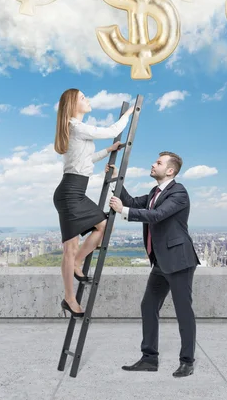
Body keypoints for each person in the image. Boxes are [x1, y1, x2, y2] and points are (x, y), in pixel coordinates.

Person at [107, 151, 201, 378]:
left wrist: (124, 211)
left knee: (183, 312)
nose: (153, 164)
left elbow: (157, 215)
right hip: (160, 262)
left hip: (179, 261)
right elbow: (130, 202)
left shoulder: (179, 192)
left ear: (170, 170)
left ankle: (187, 361)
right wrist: (116, 179)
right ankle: (149, 358)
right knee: (148, 306)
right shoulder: (154, 192)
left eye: (158, 162)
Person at [53, 88, 134, 318]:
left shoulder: (75, 129)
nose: (86, 100)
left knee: (103, 226)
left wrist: (108, 151)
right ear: (72, 104)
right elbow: (111, 130)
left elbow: (85, 160)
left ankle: (78, 264)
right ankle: (69, 299)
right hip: (70, 192)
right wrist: (129, 114)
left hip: (74, 190)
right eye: (82, 98)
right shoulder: (76, 126)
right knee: (70, 248)